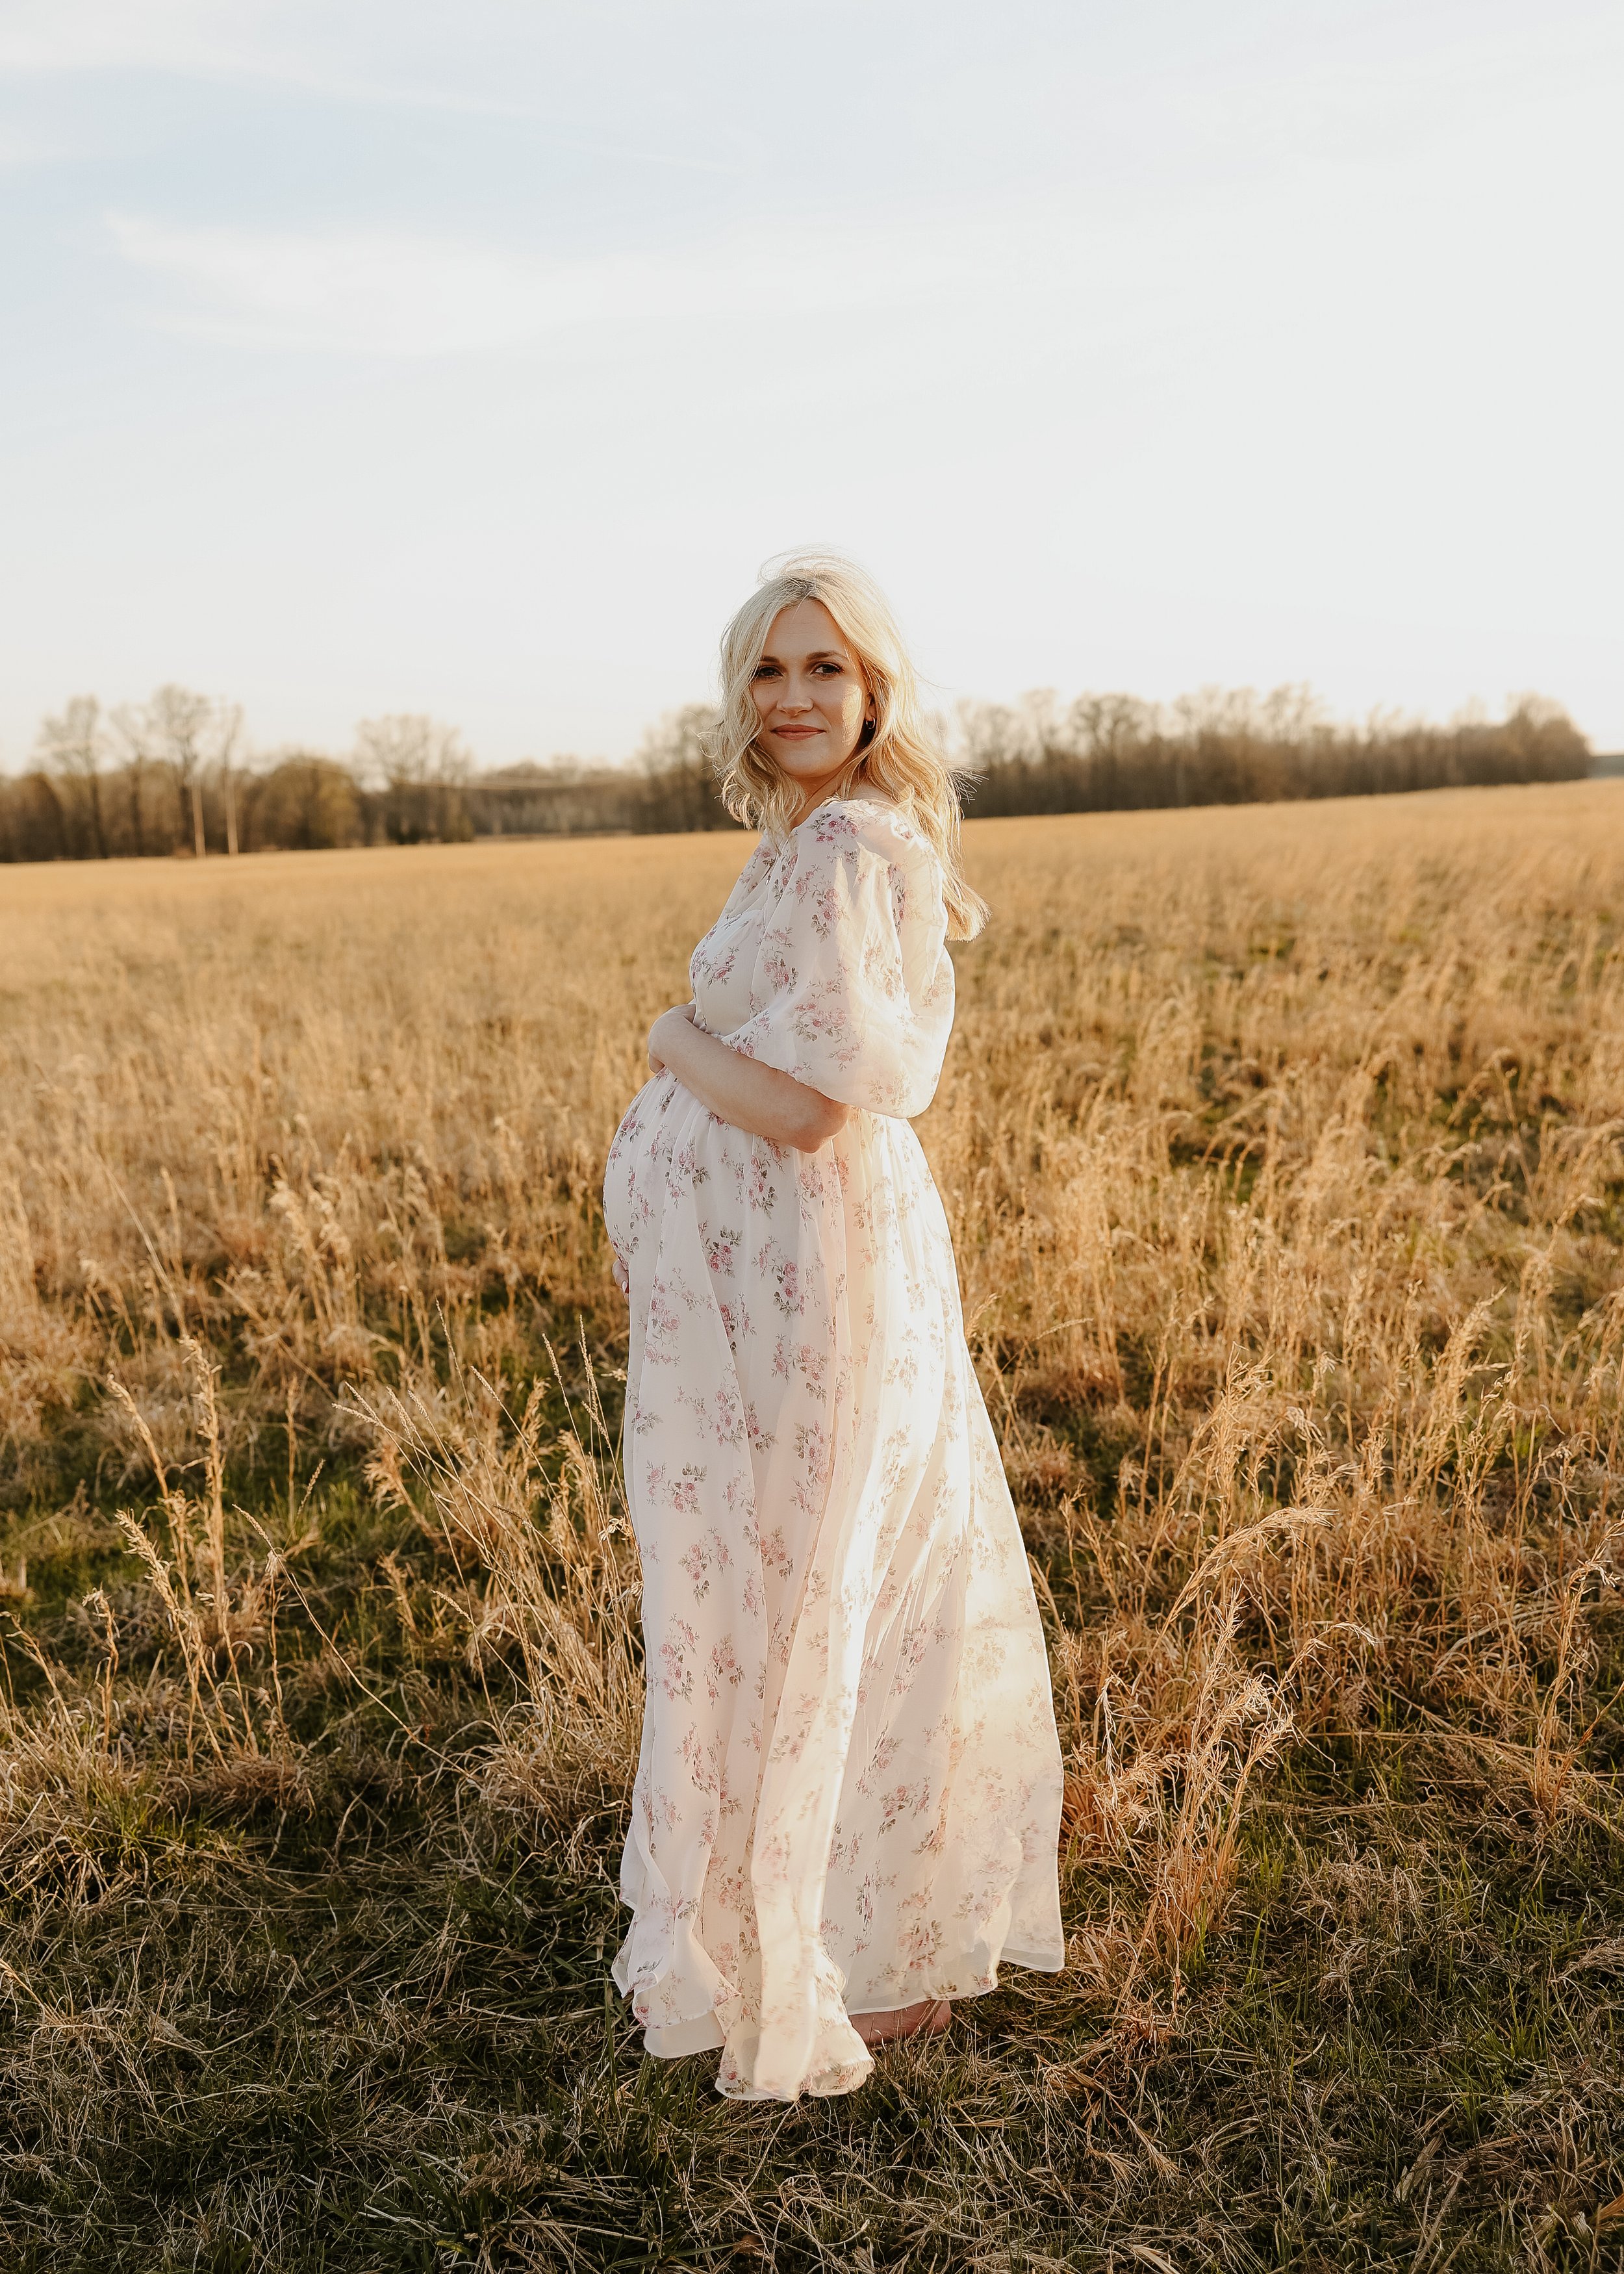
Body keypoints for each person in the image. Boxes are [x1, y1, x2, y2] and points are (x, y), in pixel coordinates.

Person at [602, 552, 1063, 2102]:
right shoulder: (794, 839)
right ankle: (832, 1923)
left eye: (823, 670)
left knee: (834, 1577)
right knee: (797, 1575)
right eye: (766, 671)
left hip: (819, 1277)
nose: (792, 697)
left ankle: (876, 1944)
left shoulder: (858, 843)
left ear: (872, 689)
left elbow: (805, 1107)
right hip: (768, 1284)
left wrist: (668, 1037)